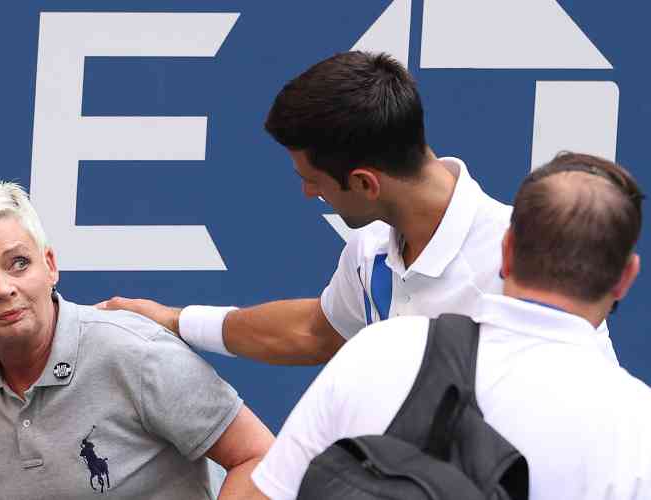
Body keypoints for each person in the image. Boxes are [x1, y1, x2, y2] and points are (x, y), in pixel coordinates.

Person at [98, 51, 618, 366]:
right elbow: (316, 331)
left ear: (365, 183)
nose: (307, 194)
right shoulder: (371, 248)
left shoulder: (528, 266)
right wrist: (171, 320)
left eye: (313, 182)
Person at [250, 152, 650, 500]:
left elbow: (269, 493)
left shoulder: (377, 351)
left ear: (506, 251)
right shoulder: (638, 428)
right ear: (625, 278)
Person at [0, 180, 274, 500]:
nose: (4, 289)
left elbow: (260, 458)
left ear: (49, 266)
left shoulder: (136, 353)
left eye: (19, 263)